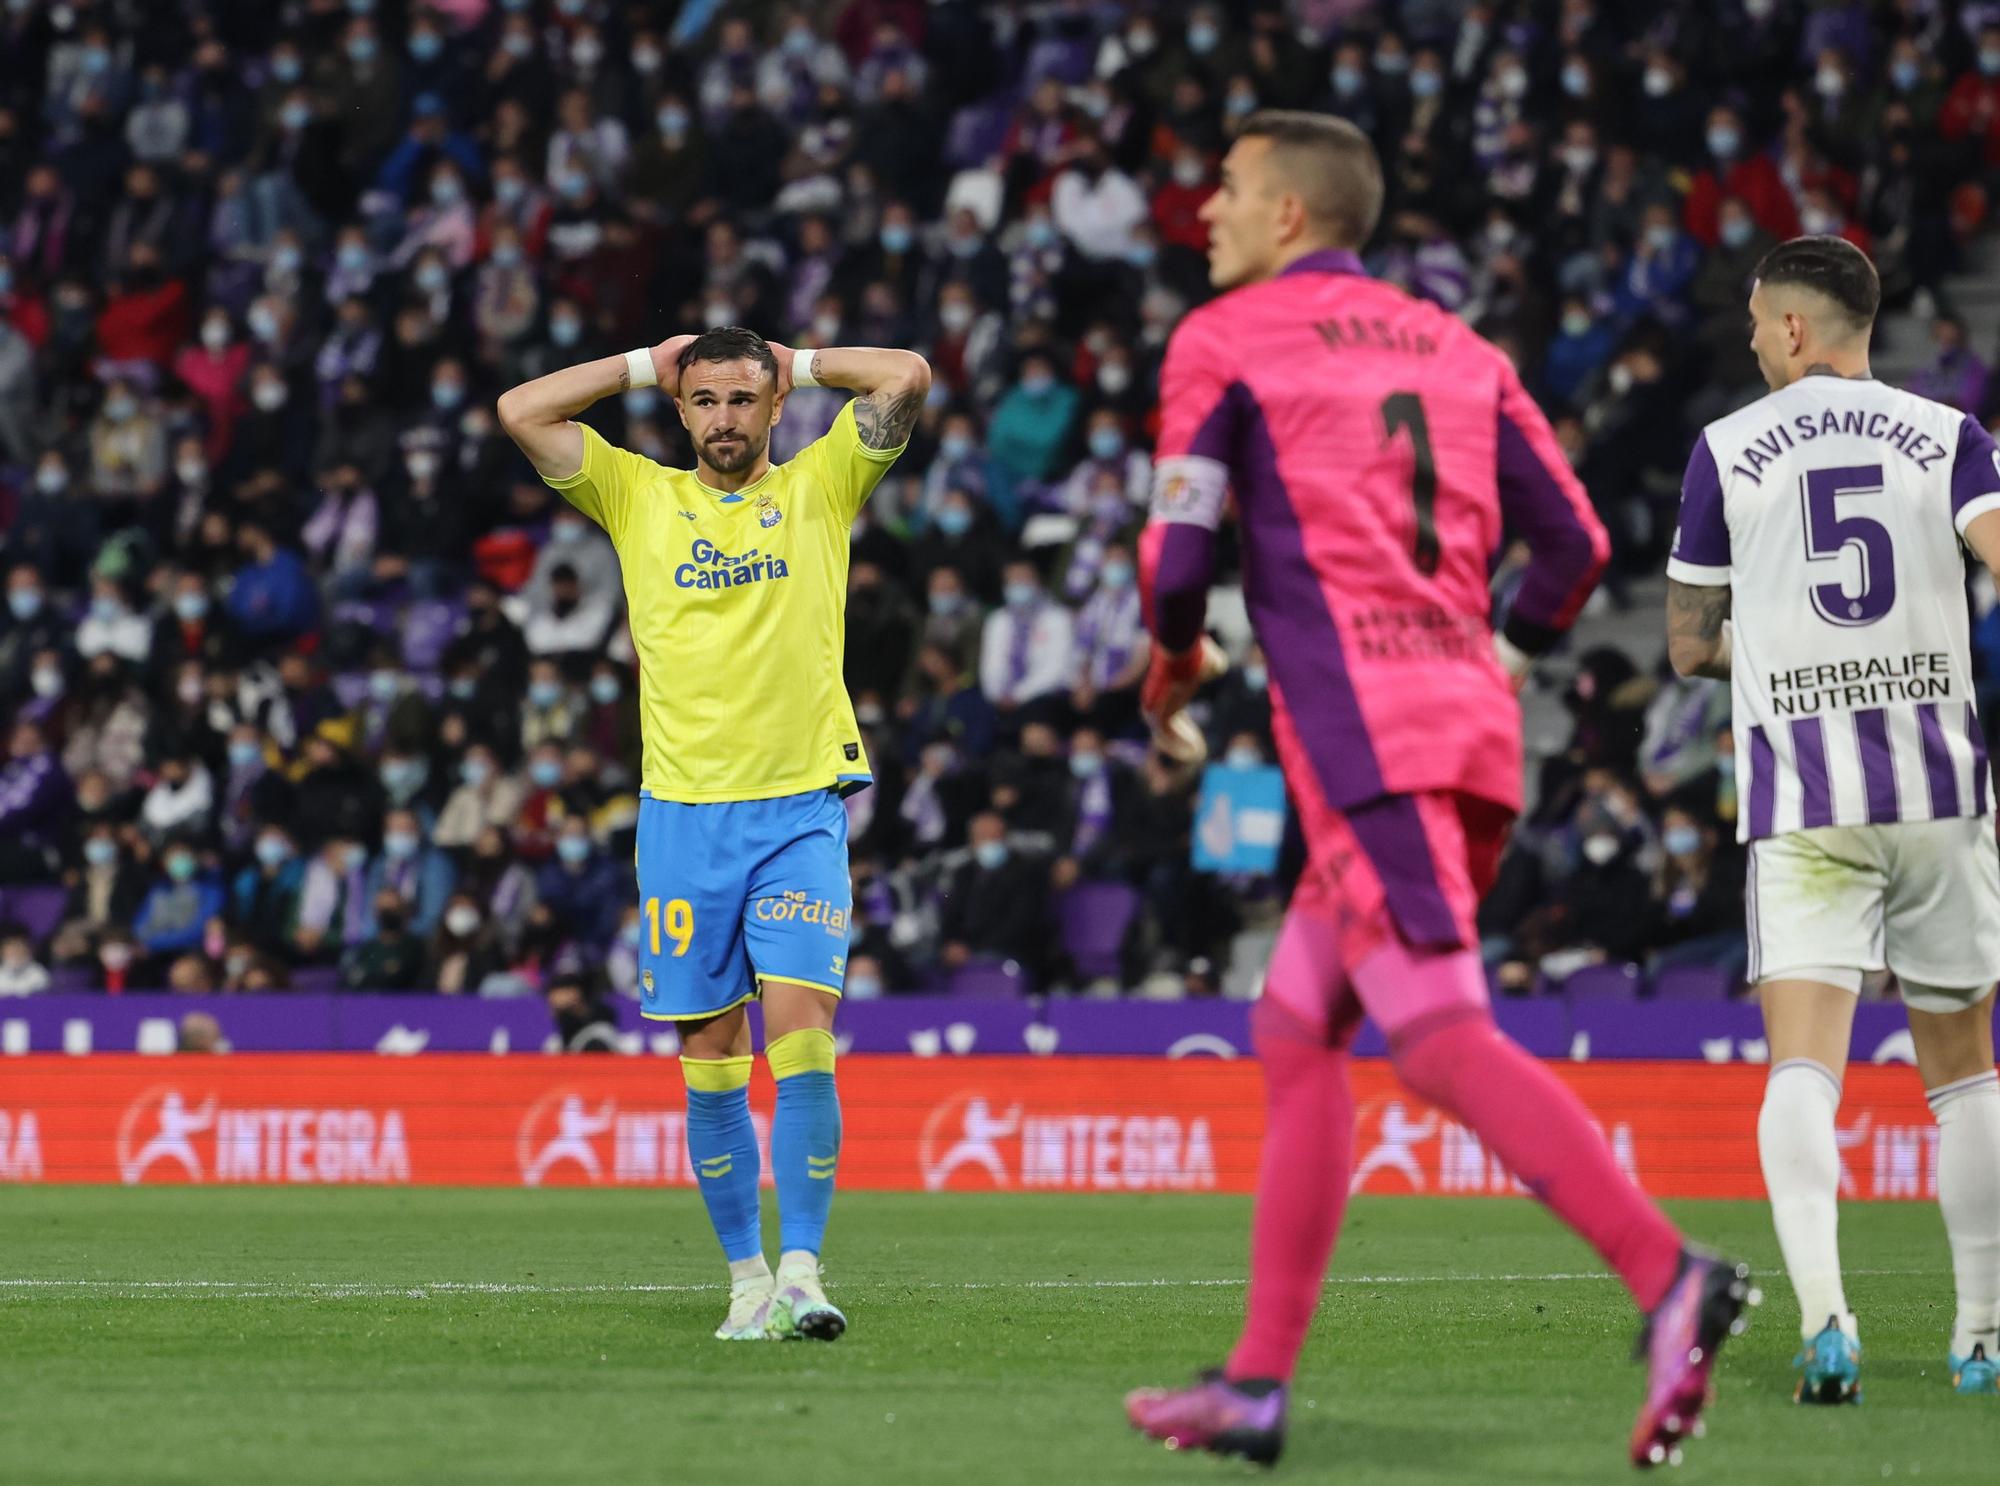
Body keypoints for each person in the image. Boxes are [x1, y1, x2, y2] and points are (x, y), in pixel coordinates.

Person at [1124, 112, 1747, 1469]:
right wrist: (1492, 656)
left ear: (1289, 212)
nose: (1203, 213)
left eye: (1224, 189)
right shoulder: (1461, 349)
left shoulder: (1222, 342)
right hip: (1464, 729)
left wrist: (1171, 667)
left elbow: (1176, 565)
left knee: (1437, 1034)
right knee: (1297, 1029)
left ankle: (1668, 1273)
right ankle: (1254, 1381)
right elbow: (1575, 545)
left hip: (1367, 744)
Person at [499, 323, 928, 1343]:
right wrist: (649, 362)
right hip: (683, 821)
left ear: (775, 406)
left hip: (798, 813)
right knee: (712, 1055)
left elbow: (905, 375)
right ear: (679, 410)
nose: (724, 419)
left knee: (803, 1037)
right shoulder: (635, 493)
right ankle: (744, 1282)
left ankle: (801, 1272)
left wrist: (803, 359)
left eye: (743, 399)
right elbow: (522, 409)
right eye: (704, 401)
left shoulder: (821, 485)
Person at [1665, 236, 2000, 1403]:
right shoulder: (1946, 432)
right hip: (1936, 789)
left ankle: (1826, 1323)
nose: (1752, 338)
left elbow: (1685, 642)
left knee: (1803, 1070)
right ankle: (1976, 1338)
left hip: (1801, 797)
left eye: (1758, 320)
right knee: (1963, 1077)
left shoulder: (1722, 448)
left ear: (1795, 329)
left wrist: (1762, 648)